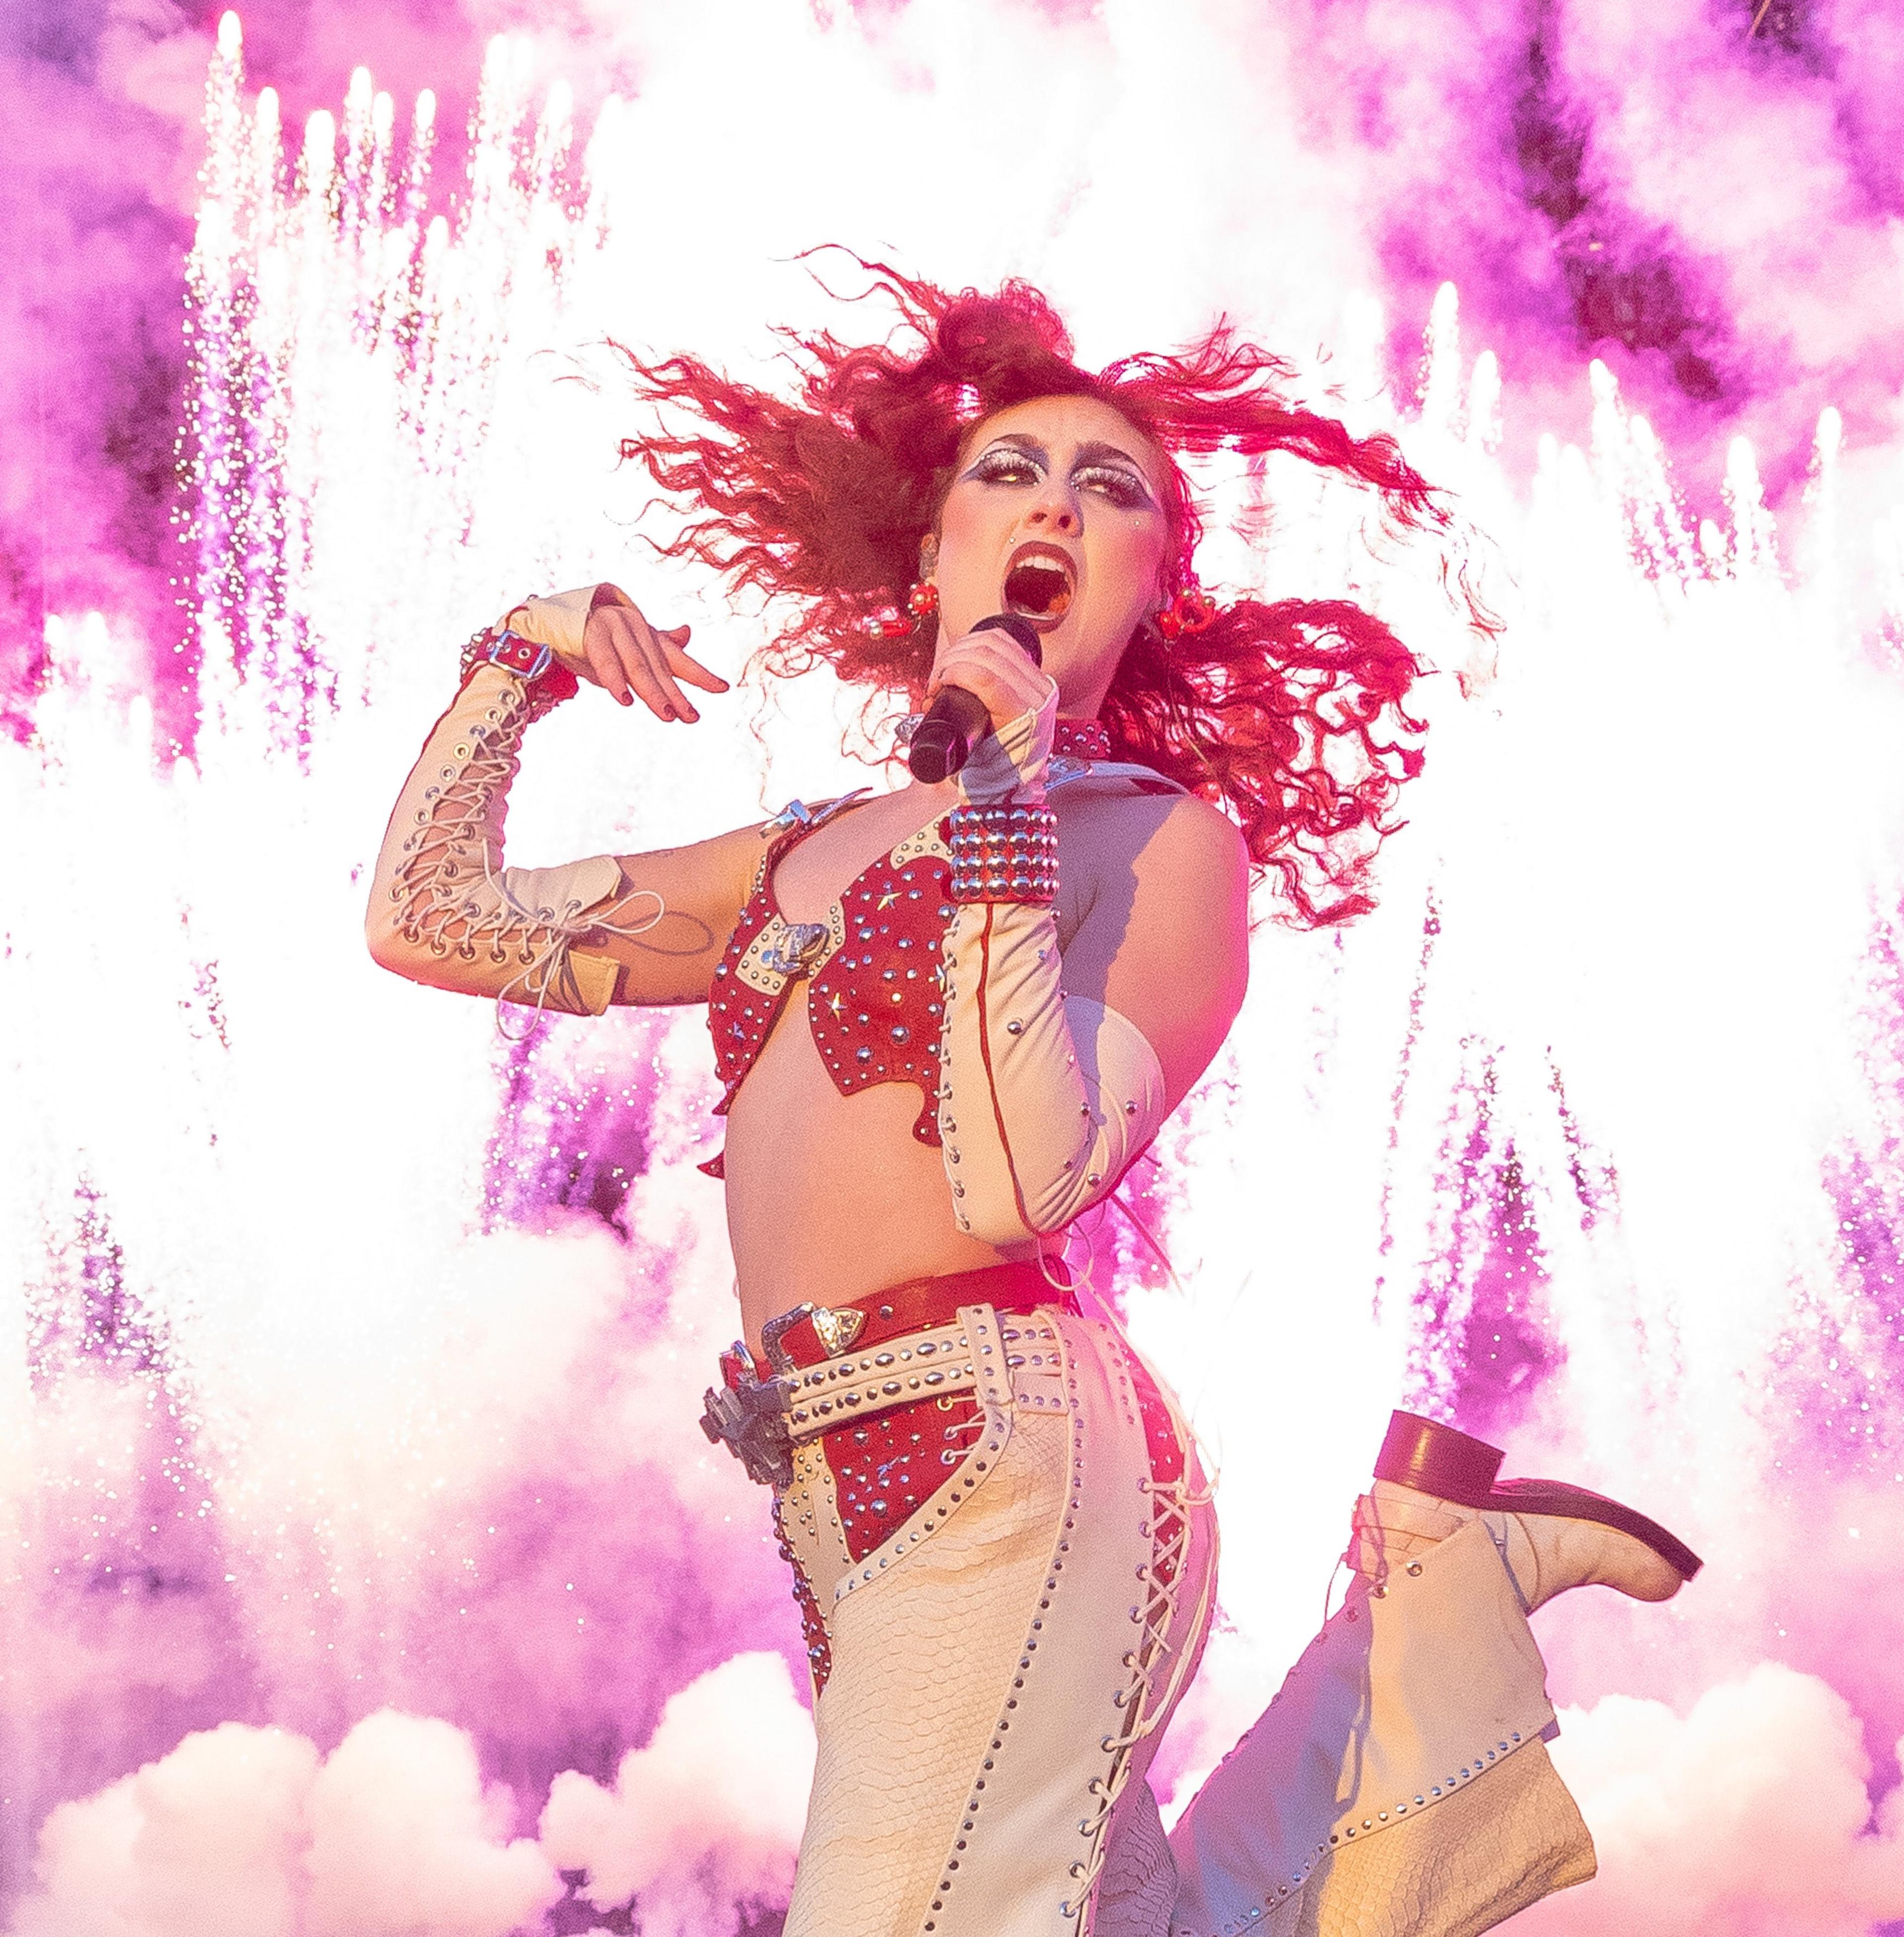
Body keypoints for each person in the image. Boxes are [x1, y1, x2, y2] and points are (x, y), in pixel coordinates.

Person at [365, 268, 1700, 1937]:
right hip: (837, 1498)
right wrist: (519, 658)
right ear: (930, 556)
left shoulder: (1158, 846)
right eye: (1010, 470)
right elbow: (428, 917)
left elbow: (1020, 1184)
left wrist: (1004, 796)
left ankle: (1435, 1600)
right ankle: (1435, 1589)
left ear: (1152, 578)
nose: (1057, 497)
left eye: (1112, 487)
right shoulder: (793, 854)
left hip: (1014, 1458)